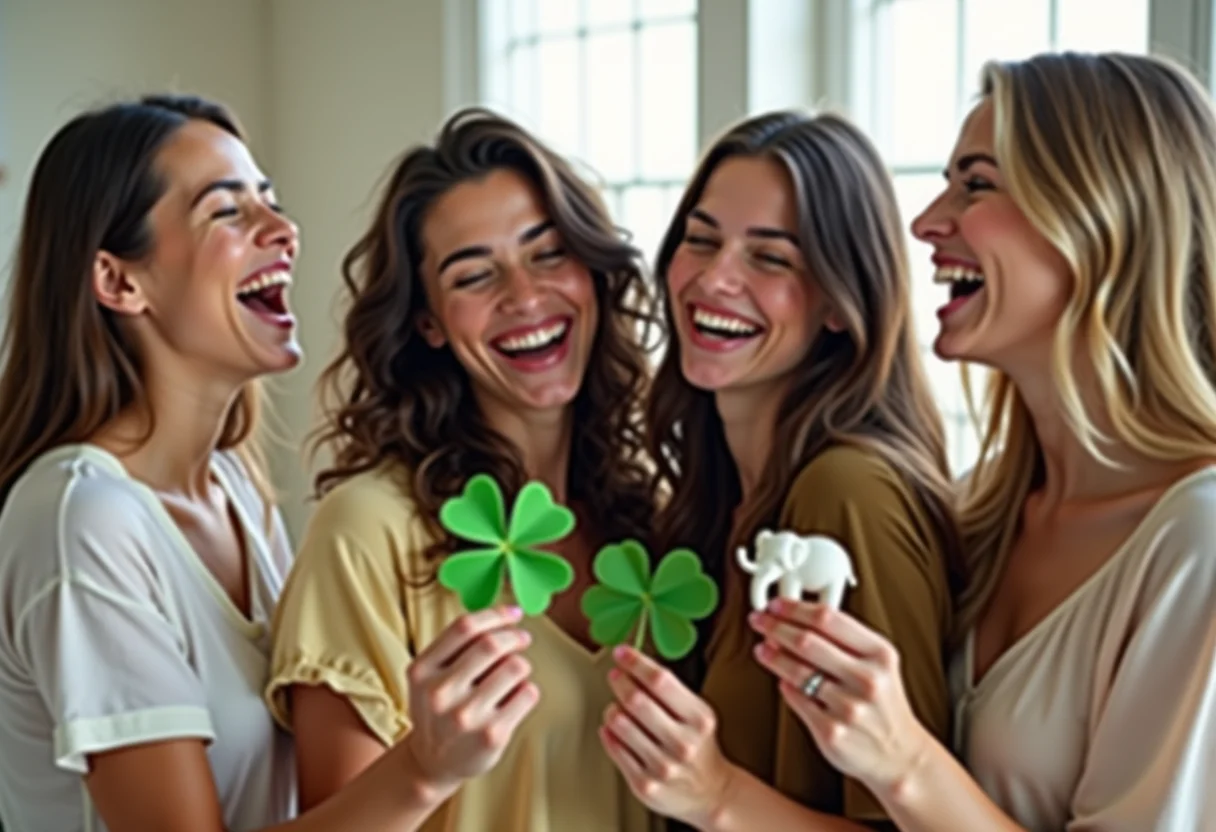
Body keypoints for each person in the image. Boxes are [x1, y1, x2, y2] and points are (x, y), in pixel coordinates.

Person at [0, 94, 503, 832]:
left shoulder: (236, 491)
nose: (285, 230)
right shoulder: (84, 521)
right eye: (227, 212)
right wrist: (422, 771)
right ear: (118, 282)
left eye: (269, 201)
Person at [751, 51, 1216, 831]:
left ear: (1101, 217)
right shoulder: (981, 515)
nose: (928, 222)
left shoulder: (1196, 542)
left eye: (977, 184)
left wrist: (901, 761)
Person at [265, 107, 659, 832]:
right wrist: (425, 769)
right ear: (430, 323)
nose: (523, 296)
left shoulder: (652, 514)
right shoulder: (369, 532)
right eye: (475, 276)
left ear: (594, 274)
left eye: (548, 254)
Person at [597, 110, 963, 830]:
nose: (713, 278)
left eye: (770, 258)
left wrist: (716, 796)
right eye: (700, 240)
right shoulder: (707, 502)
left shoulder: (848, 495)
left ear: (838, 301)